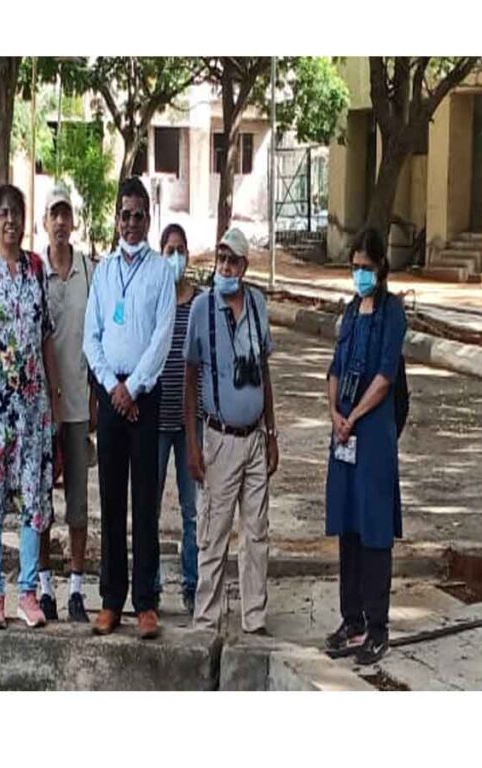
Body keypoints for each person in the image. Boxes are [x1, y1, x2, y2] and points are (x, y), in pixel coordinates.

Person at [0, 184, 63, 630]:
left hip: (33, 410)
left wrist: (54, 399)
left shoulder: (37, 271)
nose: (10, 221)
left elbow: (45, 339)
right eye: (2, 214)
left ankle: (27, 594)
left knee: (33, 501)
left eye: (16, 213)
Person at [83, 177, 176, 639]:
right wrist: (111, 388)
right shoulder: (102, 272)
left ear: (148, 218)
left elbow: (162, 337)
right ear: (116, 218)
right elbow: (91, 337)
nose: (132, 223)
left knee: (145, 501)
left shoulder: (161, 273)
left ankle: (146, 602)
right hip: (110, 392)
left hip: (144, 396)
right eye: (126, 214)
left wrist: (134, 388)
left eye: (140, 214)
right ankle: (111, 600)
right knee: (111, 501)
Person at [184, 227, 279, 635]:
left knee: (257, 532)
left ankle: (253, 619)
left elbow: (265, 370)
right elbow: (190, 378)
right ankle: (207, 619)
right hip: (220, 438)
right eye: (220, 258)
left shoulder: (256, 304)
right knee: (214, 532)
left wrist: (273, 433)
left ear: (244, 266)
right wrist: (192, 443)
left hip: (255, 437)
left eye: (232, 260)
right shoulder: (202, 309)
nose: (225, 266)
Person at [324, 227, 407, 665]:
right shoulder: (351, 313)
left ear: (381, 269)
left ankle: (377, 625)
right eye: (354, 268)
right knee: (348, 526)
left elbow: (385, 376)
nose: (359, 275)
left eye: (366, 268)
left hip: (372, 436)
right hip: (344, 435)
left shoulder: (392, 313)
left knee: (374, 530)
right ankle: (351, 618)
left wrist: (354, 417)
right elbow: (335, 367)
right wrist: (335, 412)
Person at [37, 185, 96, 623]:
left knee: (78, 503)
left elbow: (98, 337)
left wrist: (95, 392)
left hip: (77, 406)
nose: (60, 222)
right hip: (37, 410)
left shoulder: (89, 273)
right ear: (44, 222)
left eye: (65, 215)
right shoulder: (32, 272)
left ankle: (75, 587)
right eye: (53, 215)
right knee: (39, 503)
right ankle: (42, 587)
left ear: (73, 222)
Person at [154, 223, 200, 616]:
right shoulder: (154, 297)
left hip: (190, 425)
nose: (175, 257)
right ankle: (149, 586)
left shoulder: (199, 304)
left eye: (180, 250)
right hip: (154, 420)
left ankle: (191, 583)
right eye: (169, 249)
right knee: (149, 508)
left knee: (191, 510)